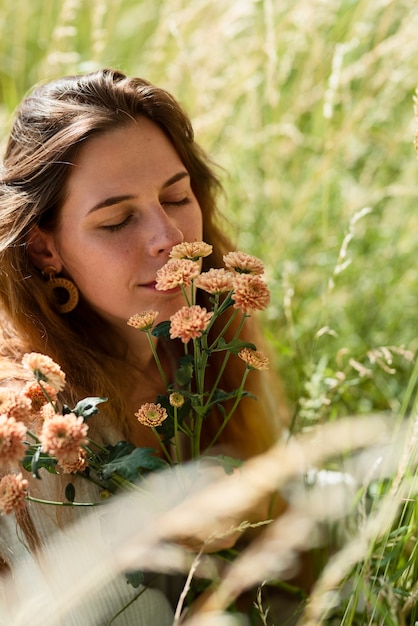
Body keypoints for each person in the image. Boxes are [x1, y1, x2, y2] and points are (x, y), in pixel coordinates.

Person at [0, 68, 289, 623]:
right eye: (116, 221)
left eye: (176, 196)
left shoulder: (213, 340)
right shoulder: (35, 427)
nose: (170, 238)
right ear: (43, 249)